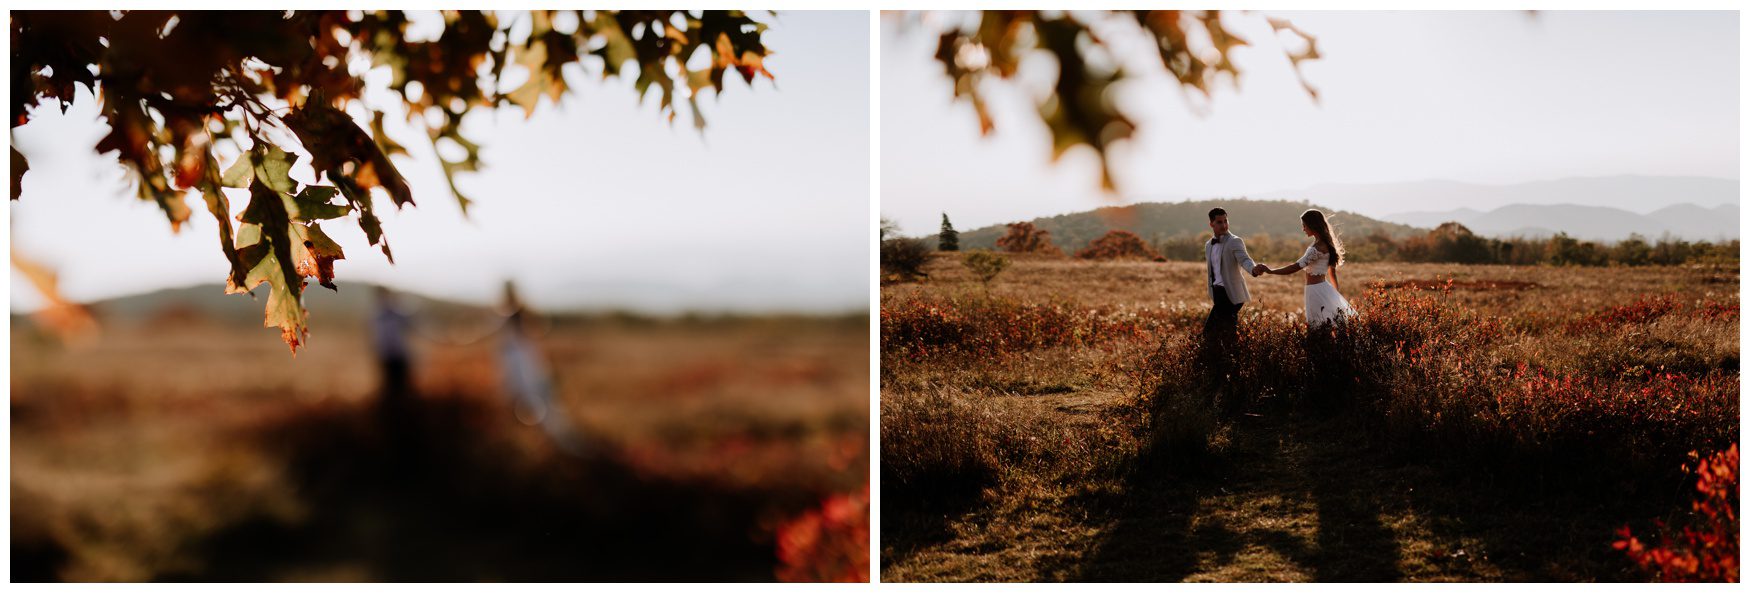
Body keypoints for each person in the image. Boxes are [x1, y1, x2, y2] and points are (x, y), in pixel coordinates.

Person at [1261, 209, 1356, 327]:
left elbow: (1294, 267)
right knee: (1328, 325)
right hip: (1324, 289)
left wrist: (1270, 271)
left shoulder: (1316, 248)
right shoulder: (1326, 244)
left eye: (1304, 225)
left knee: (1317, 327)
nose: (1303, 229)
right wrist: (1335, 295)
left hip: (1316, 291)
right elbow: (1333, 274)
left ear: (1312, 225)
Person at [1202, 207, 1268, 338]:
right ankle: (1232, 355)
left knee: (1210, 332)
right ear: (1211, 224)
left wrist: (1254, 269)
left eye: (1226, 221)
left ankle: (1230, 355)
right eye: (1220, 222)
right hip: (1217, 292)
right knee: (1225, 331)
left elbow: (1244, 259)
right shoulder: (1209, 245)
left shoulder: (1234, 241)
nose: (1224, 225)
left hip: (1231, 292)